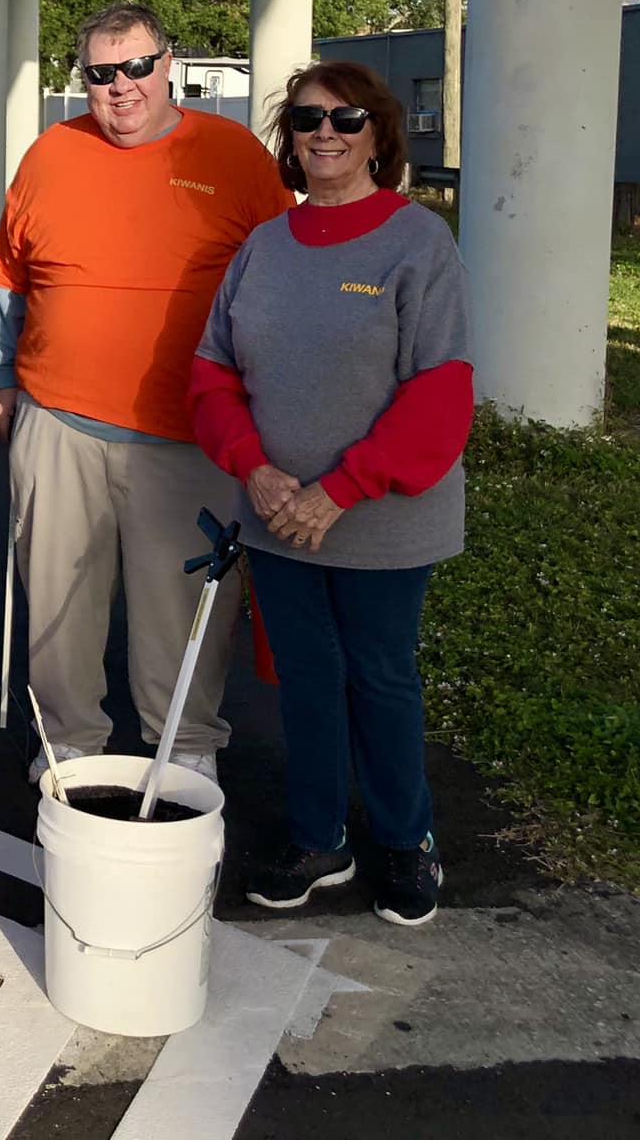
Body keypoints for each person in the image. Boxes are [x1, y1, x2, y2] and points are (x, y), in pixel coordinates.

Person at [189, 60, 471, 926]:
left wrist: (340, 490)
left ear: (379, 137)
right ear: (289, 140)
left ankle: (404, 841)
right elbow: (211, 375)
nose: (327, 132)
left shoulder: (417, 243)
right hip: (276, 517)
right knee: (304, 680)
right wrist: (257, 470)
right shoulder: (264, 247)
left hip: (379, 520)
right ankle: (320, 840)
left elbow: (441, 391)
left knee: (380, 679)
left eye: (348, 120)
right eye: (309, 119)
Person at [0, 2, 292, 786]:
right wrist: (0, 379)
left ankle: (184, 742)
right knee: (57, 596)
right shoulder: (50, 153)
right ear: (82, 77)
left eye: (136, 67)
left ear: (168, 65)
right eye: (100, 72)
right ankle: (69, 741)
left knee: (187, 600)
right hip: (60, 421)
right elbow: (6, 281)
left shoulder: (233, 156)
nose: (121, 87)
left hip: (192, 432)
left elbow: (281, 284)